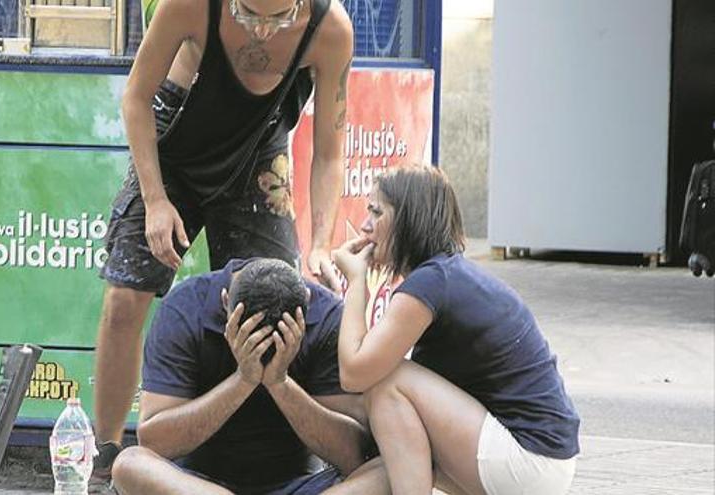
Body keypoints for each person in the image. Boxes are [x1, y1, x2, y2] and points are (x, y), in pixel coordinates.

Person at [93, 0, 354, 473]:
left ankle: (260, 457)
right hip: (175, 146)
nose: (261, 28)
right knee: (125, 298)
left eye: (273, 19)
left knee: (271, 302)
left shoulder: (328, 28)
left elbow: (330, 153)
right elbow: (135, 99)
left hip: (258, 152)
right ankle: (106, 454)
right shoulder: (190, 6)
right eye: (250, 15)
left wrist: (321, 242)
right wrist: (155, 201)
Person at [329, 166, 580, 495]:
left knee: (387, 381)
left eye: (376, 212)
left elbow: (355, 373)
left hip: (530, 460)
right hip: (541, 462)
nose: (365, 225)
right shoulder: (444, 275)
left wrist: (356, 282)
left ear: (409, 218)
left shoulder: (430, 284)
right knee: (387, 459)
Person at [110, 258, 368, 494]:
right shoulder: (185, 309)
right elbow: (154, 442)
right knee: (129, 464)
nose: (264, 350)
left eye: (275, 342)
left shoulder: (327, 317)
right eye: (254, 338)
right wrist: (242, 381)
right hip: (198, 485)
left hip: (297, 486)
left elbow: (353, 456)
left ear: (307, 306)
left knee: (383, 470)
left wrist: (280, 384)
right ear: (225, 303)